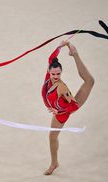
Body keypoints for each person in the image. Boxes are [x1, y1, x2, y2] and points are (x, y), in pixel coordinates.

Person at [42, 40, 94, 175]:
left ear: (61, 72)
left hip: (63, 110)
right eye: (53, 74)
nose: (55, 76)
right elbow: (51, 58)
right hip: (58, 108)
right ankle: (55, 163)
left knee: (89, 81)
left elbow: (74, 106)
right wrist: (60, 46)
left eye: (58, 74)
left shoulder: (62, 88)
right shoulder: (49, 76)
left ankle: (75, 54)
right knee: (52, 137)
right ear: (49, 71)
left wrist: (58, 111)